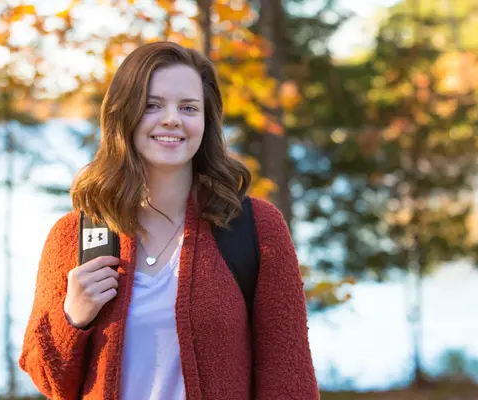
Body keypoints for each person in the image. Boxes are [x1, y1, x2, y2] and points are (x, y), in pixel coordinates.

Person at [18, 41, 318, 400]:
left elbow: (289, 375)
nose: (172, 119)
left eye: (188, 107)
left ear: (206, 122)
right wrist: (74, 317)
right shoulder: (75, 235)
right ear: (123, 115)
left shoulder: (254, 226)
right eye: (152, 105)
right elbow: (50, 382)